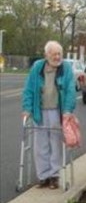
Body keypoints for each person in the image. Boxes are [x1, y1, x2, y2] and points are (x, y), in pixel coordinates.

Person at [22, 41, 77, 189]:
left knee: (55, 144)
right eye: (54, 54)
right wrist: (27, 108)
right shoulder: (37, 67)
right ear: (46, 55)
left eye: (60, 54)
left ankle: (54, 175)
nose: (57, 57)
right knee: (40, 145)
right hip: (39, 111)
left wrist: (67, 110)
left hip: (57, 111)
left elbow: (71, 91)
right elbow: (29, 89)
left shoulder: (66, 68)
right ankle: (43, 176)